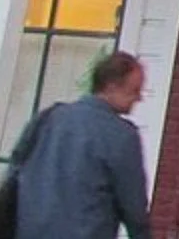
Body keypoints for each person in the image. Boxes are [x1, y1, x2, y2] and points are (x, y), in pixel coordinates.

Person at [10, 50, 152, 239]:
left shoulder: (49, 117)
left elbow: (15, 169)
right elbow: (133, 208)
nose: (139, 98)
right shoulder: (122, 136)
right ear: (111, 87)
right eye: (134, 90)